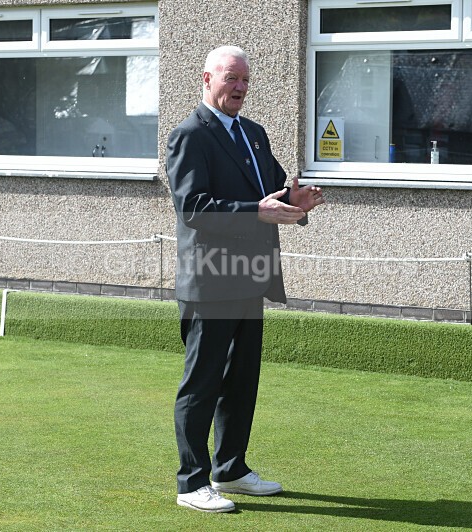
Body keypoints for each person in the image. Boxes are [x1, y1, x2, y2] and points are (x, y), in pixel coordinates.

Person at [166, 45, 325, 513]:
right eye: (231, 78)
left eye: (245, 80)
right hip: (209, 282)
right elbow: (193, 208)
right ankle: (191, 482)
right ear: (207, 78)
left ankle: (230, 468)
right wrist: (257, 210)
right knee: (202, 385)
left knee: (241, 382)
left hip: (250, 278)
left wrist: (295, 202)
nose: (239, 87)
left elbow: (272, 194)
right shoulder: (189, 135)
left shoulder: (254, 134)